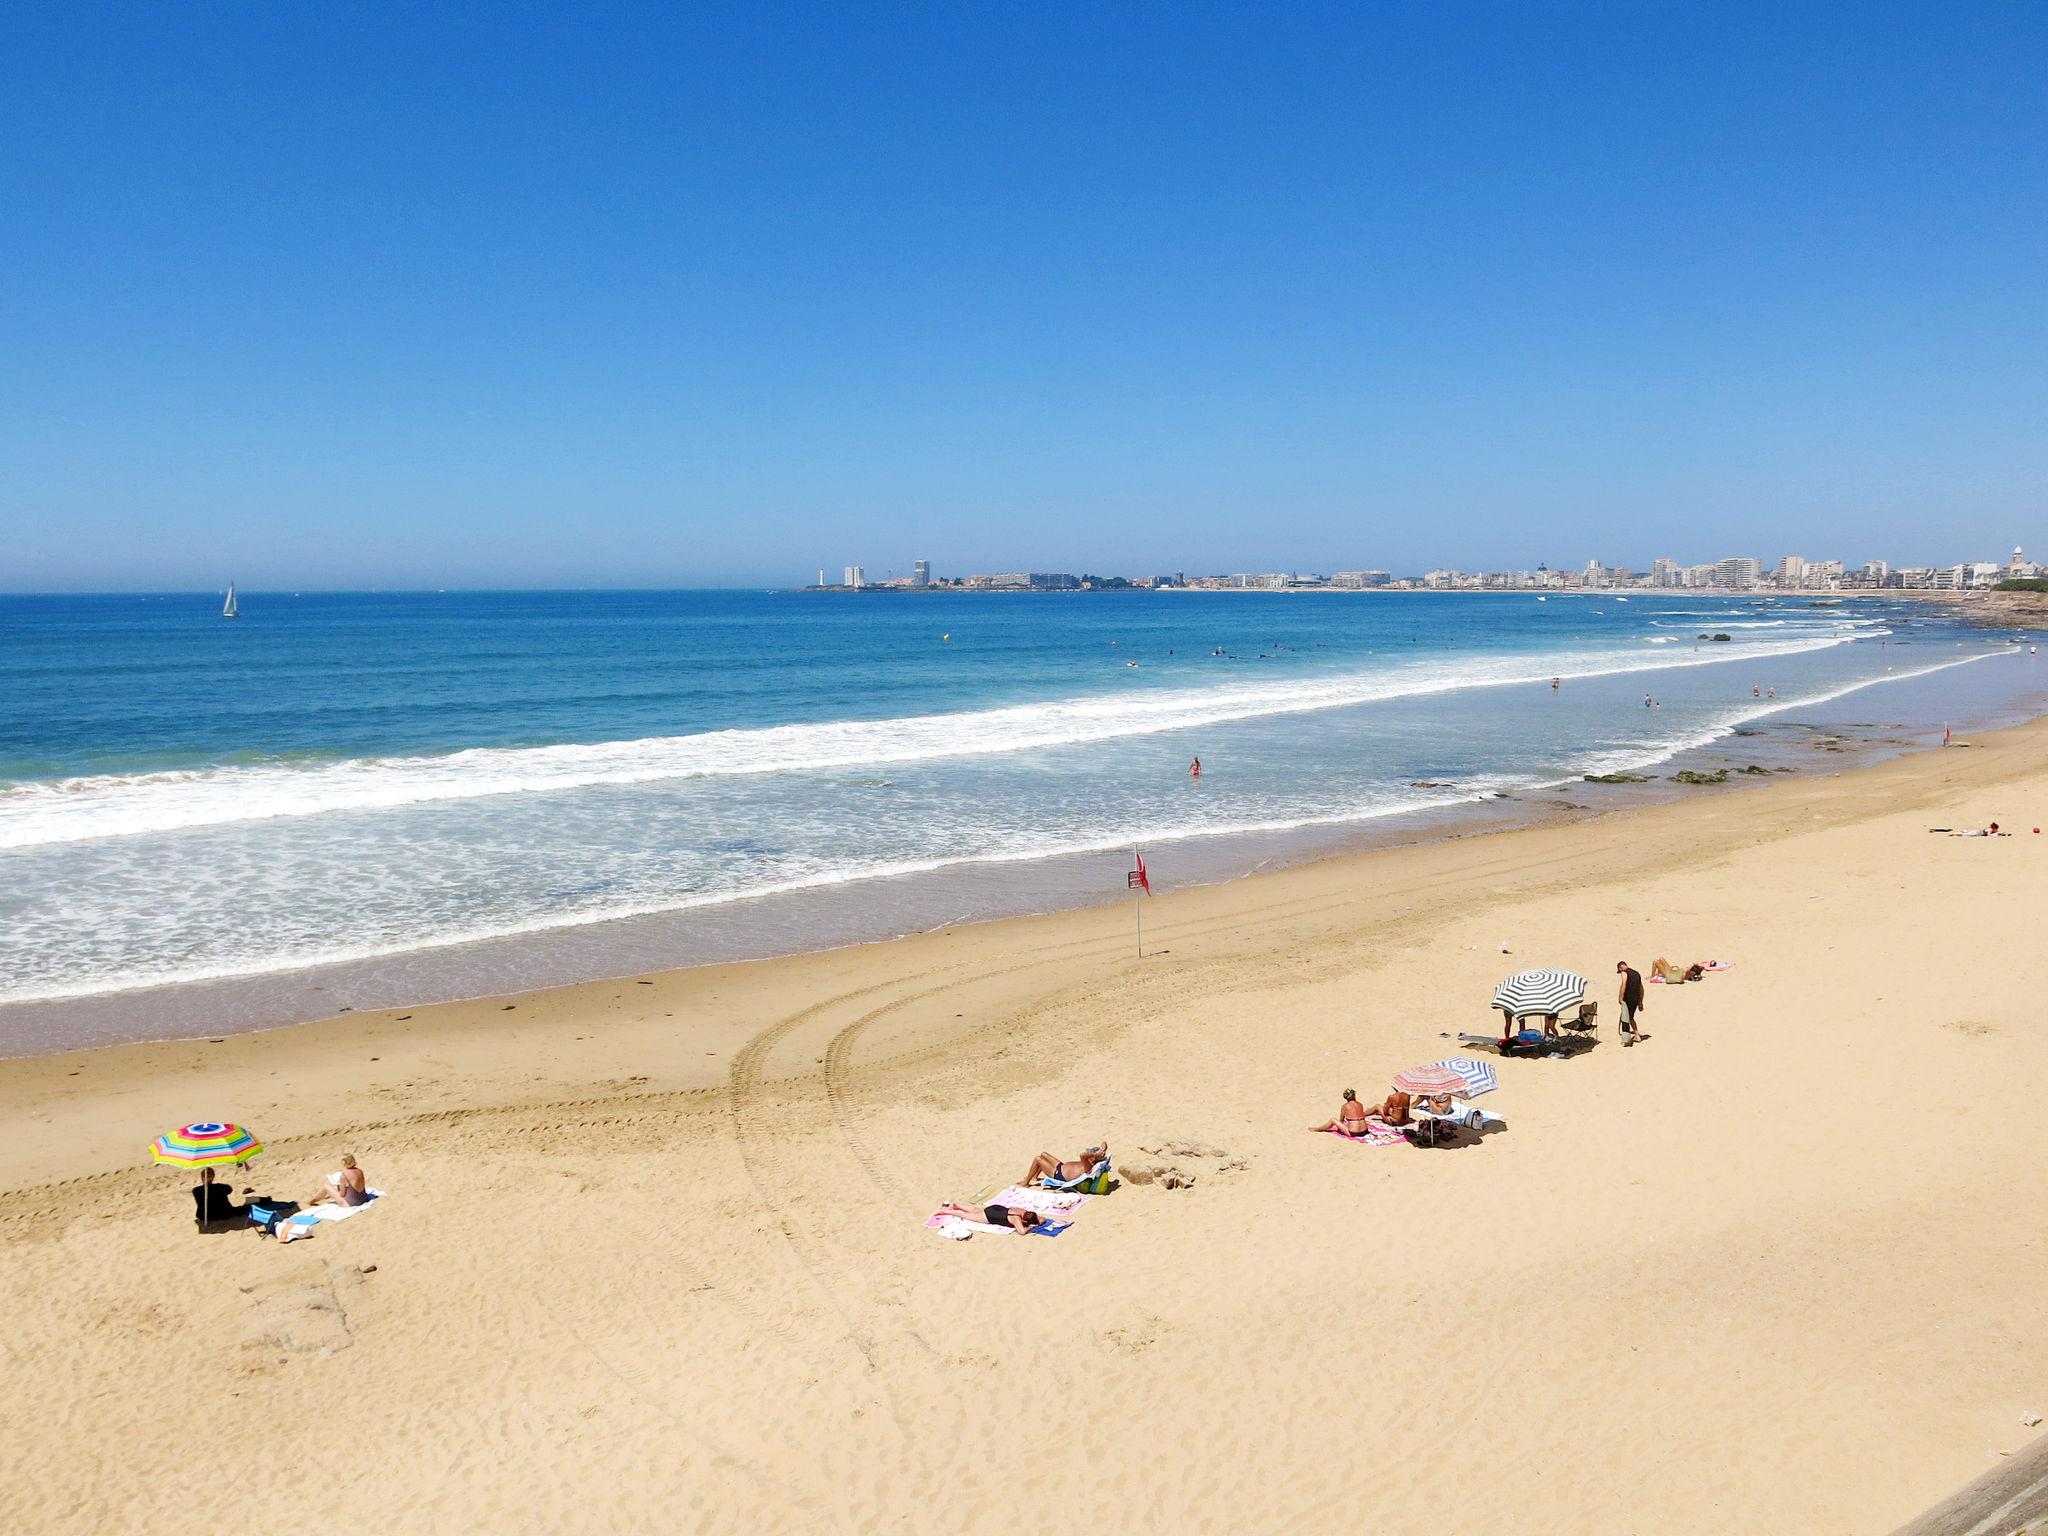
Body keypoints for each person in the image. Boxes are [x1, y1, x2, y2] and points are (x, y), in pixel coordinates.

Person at [1022, 1142, 1107, 1187]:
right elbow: (1104, 1143)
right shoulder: (1089, 1161)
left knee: (1038, 1159)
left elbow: (1082, 1155)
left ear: (1093, 1157)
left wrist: (1095, 1154)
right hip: (1061, 1167)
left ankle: (1026, 1183)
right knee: (1043, 1154)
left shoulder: (1088, 1165)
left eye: (1089, 1153)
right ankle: (1034, 1177)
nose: (1088, 1153)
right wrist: (1102, 1150)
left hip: (1059, 1175)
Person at [935, 1201, 1044, 1233]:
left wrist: (1038, 1221)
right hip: (990, 1216)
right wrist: (1031, 1227)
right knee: (967, 1215)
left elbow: (1042, 1219)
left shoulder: (1023, 1211)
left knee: (974, 1209)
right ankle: (946, 1211)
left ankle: (957, 1205)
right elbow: (1021, 1231)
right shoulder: (1017, 1219)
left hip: (997, 1208)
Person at [1616, 960, 1648, 1046]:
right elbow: (1641, 988)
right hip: (1636, 998)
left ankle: (1635, 1036)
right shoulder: (1636, 973)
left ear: (1620, 967)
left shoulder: (1624, 973)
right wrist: (1640, 1001)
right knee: (1630, 1017)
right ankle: (1636, 1034)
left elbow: (1624, 984)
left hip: (1628, 999)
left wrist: (1620, 997)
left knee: (1627, 1018)